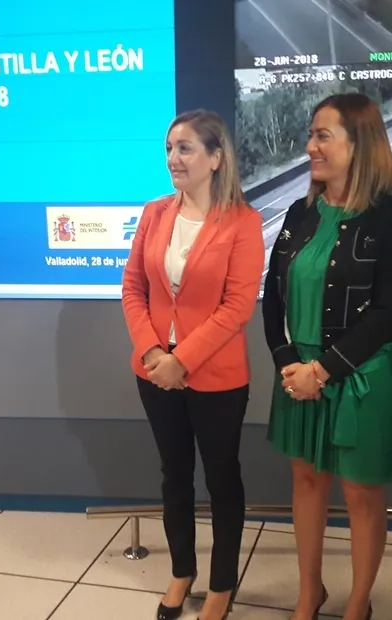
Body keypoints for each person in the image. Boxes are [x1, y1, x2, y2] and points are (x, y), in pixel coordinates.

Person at [262, 93, 392, 620]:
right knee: (306, 484)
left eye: (323, 136)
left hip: (357, 376)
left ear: (360, 144)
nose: (310, 146)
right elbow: (273, 298)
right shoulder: (299, 214)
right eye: (311, 135)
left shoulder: (391, 218)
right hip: (298, 376)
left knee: (360, 498)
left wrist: (323, 371)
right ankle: (310, 594)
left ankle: (357, 605)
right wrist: (290, 364)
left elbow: (387, 314)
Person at [121, 109, 265, 620]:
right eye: (169, 148)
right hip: (154, 373)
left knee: (222, 479)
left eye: (184, 148)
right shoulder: (154, 213)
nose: (173, 158)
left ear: (215, 157)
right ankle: (182, 571)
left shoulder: (243, 222)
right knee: (174, 476)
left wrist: (182, 359)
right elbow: (133, 288)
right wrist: (153, 353)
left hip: (216, 378)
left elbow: (237, 306)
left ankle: (222, 584)